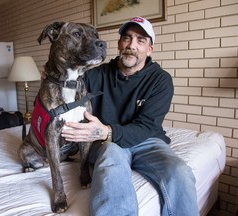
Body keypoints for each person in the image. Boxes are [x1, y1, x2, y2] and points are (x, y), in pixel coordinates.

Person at [61, 17, 199, 216]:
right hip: (108, 143)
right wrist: (55, 79)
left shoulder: (160, 80)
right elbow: (66, 99)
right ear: (119, 43)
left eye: (140, 40)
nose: (132, 45)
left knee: (180, 172)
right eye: (127, 38)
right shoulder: (93, 76)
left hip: (147, 140)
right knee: (111, 162)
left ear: (149, 49)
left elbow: (147, 126)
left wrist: (106, 130)